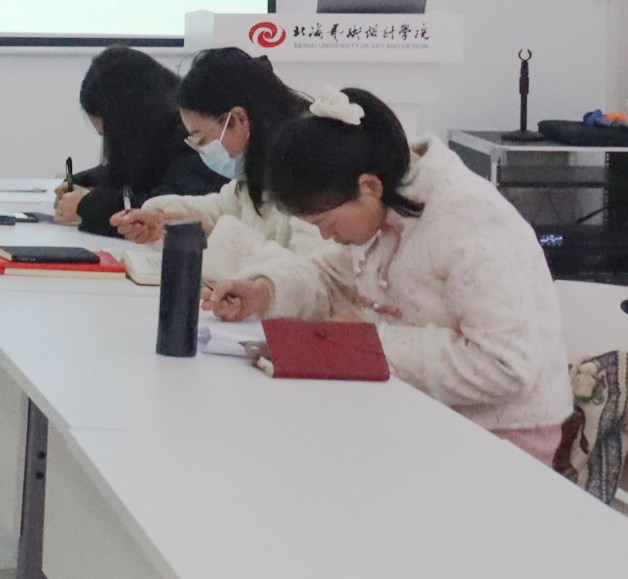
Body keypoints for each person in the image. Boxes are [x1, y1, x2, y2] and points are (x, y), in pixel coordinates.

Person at [207, 88, 571, 463]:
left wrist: (370, 344)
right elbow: (333, 278)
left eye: (325, 222)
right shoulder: (385, 202)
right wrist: (264, 291)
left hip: (501, 438)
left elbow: (504, 366)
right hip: (420, 414)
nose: (325, 236)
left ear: (369, 187)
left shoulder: (471, 223)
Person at [110, 47, 322, 277]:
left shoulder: (314, 170)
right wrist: (160, 220)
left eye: (201, 139)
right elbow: (222, 209)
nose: (200, 150)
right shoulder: (257, 169)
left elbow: (309, 277)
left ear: (238, 119)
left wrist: (214, 240)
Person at [56, 45, 224, 233]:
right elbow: (133, 174)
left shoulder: (192, 137)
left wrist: (87, 205)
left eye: (111, 134)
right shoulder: (156, 130)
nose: (112, 145)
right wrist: (83, 183)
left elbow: (163, 208)